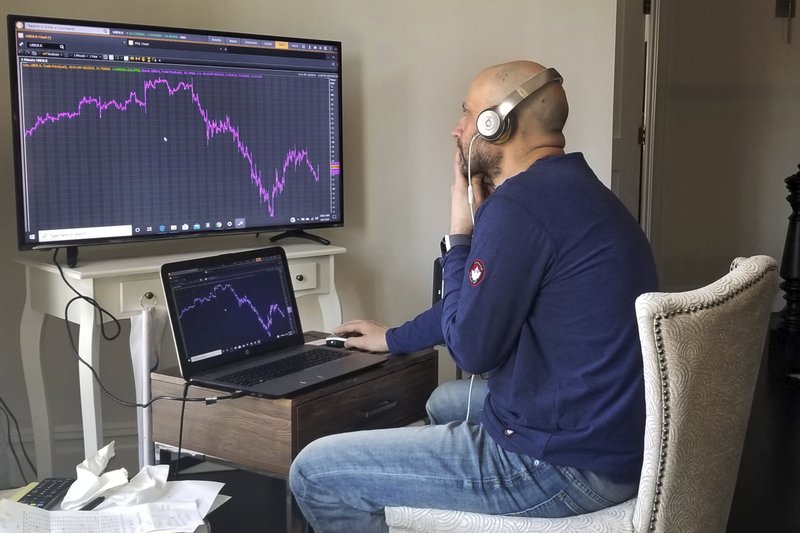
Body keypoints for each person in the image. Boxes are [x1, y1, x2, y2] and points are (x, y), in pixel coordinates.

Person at [289, 60, 658, 532]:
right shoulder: (579, 191)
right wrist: (396, 337)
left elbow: (471, 347)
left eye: (466, 114)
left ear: (495, 125)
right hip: (609, 441)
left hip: (563, 468)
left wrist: (460, 234)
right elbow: (477, 307)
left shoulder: (518, 208)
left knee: (316, 471)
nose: (457, 129)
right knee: (446, 399)